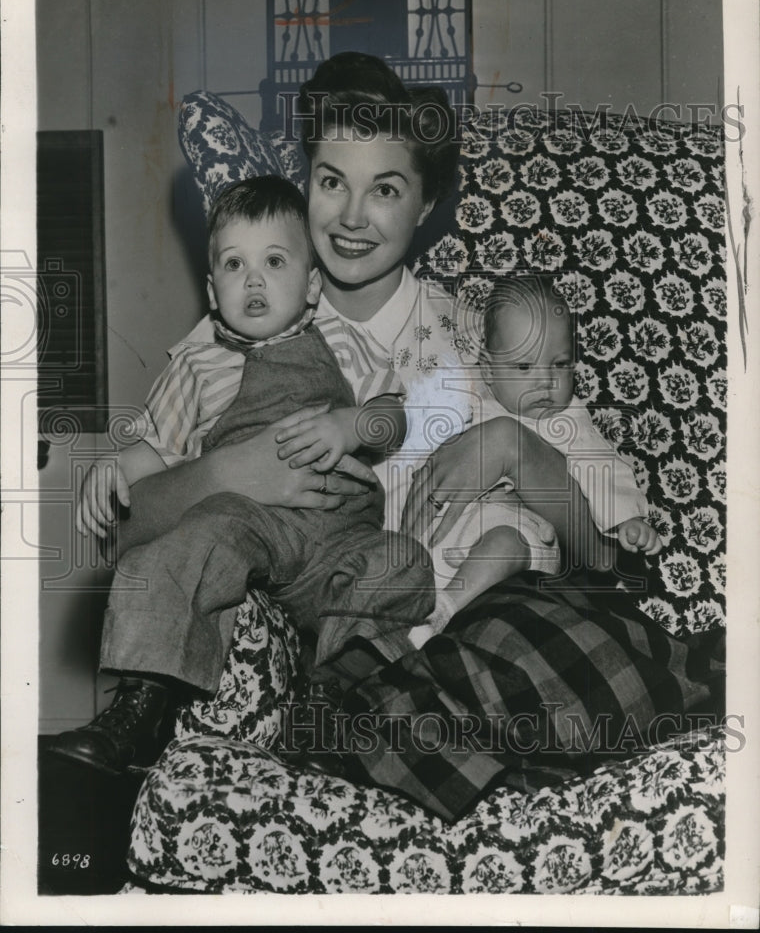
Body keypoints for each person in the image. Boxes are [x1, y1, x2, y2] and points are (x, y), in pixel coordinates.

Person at [73, 52, 722, 821]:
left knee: (527, 637)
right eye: (331, 180)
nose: (352, 216)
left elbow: (604, 554)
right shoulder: (238, 334)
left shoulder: (466, 334)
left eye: (385, 189)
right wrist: (231, 472)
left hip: (480, 596)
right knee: (414, 688)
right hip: (348, 624)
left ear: (426, 206)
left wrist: (518, 448)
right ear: (303, 178)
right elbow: (125, 537)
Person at [50, 174, 434, 774]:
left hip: (339, 533)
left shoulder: (342, 339)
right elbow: (154, 452)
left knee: (401, 560)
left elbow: (394, 417)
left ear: (311, 286)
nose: (253, 280)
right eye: (234, 264)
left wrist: (350, 427)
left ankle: (339, 700)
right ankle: (144, 703)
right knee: (195, 539)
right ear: (212, 288)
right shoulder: (197, 367)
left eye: (274, 261)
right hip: (250, 523)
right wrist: (111, 467)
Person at [408, 273, 663, 647]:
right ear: (489, 368)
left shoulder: (568, 420)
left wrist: (627, 519)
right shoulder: (468, 399)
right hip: (449, 538)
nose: (546, 381)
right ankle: (411, 615)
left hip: (524, 544)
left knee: (505, 542)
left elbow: (602, 468)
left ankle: (443, 612)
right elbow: (428, 447)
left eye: (559, 365)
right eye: (525, 367)